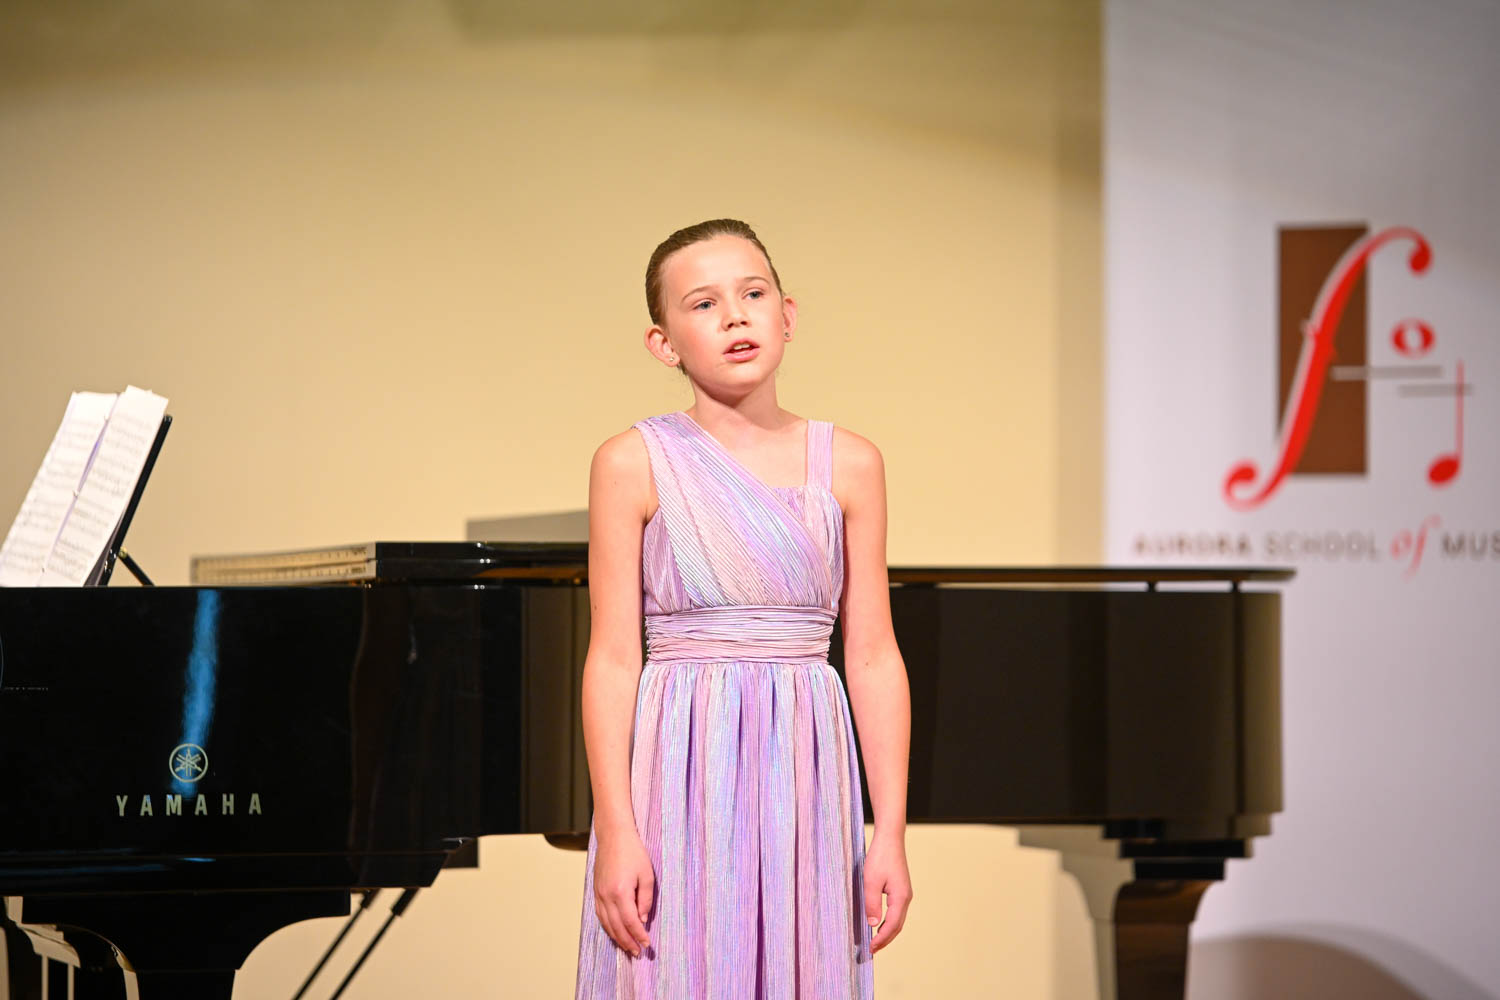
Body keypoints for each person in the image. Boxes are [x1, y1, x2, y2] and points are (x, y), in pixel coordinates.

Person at [575, 219, 913, 999]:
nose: (735, 316)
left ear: (787, 315)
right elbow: (613, 657)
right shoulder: (631, 462)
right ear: (664, 343)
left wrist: (889, 830)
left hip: (804, 765)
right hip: (681, 761)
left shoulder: (851, 463)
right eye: (704, 303)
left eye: (753, 294)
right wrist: (616, 829)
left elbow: (871, 655)